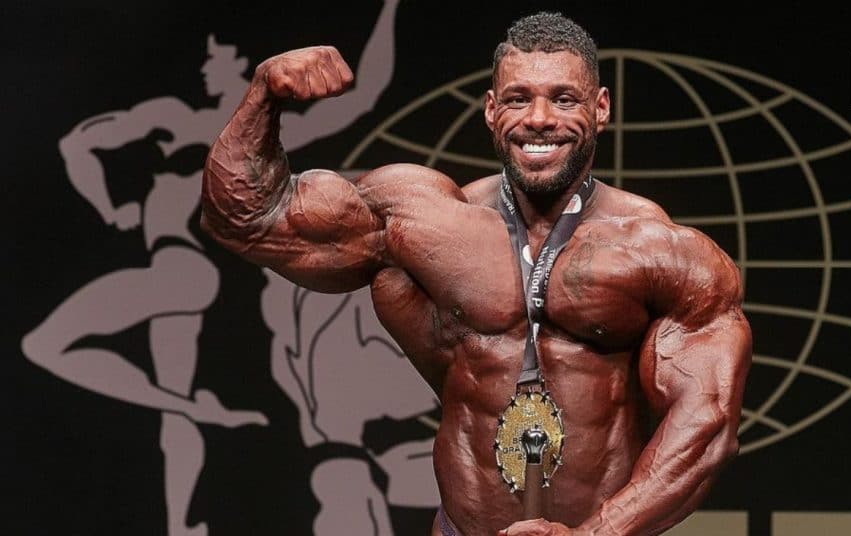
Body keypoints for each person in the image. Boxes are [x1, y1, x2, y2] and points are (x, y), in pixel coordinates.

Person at [201, 11, 751, 536]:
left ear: (601, 107)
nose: (539, 118)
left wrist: (597, 532)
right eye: (518, 98)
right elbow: (247, 220)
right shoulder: (420, 222)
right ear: (490, 110)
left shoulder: (657, 251)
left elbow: (706, 424)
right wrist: (263, 98)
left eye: (563, 99)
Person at [22, 3, 399, 534]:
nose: (204, 67)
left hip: (180, 268)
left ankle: (194, 411)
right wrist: (107, 206)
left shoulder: (209, 126)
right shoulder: (171, 118)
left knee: (46, 343)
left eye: (216, 57)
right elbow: (77, 143)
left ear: (240, 64)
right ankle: (183, 519)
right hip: (183, 273)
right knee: (173, 416)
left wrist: (388, 12)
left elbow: (364, 95)